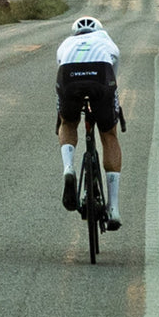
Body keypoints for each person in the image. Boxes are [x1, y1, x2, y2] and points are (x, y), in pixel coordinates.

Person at [56, 16, 123, 230]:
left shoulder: (66, 43)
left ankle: (68, 168)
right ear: (99, 29)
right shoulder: (106, 40)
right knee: (109, 135)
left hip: (68, 76)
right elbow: (114, 74)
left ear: (75, 32)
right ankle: (113, 208)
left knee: (67, 123)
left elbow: (59, 70)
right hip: (101, 75)